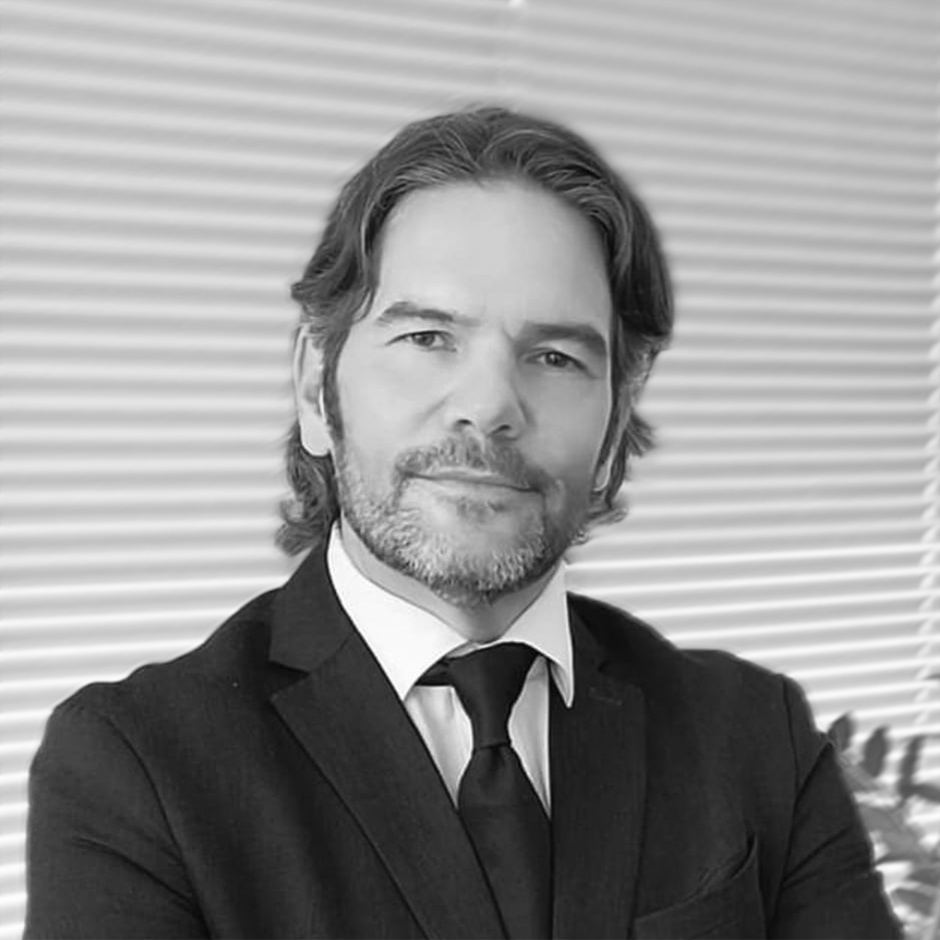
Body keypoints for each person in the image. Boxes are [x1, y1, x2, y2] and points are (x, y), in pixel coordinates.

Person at [24, 106, 900, 939]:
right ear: (315, 388)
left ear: (613, 429)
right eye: (427, 338)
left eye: (554, 356)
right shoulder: (135, 768)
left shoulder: (757, 738)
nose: (489, 405)